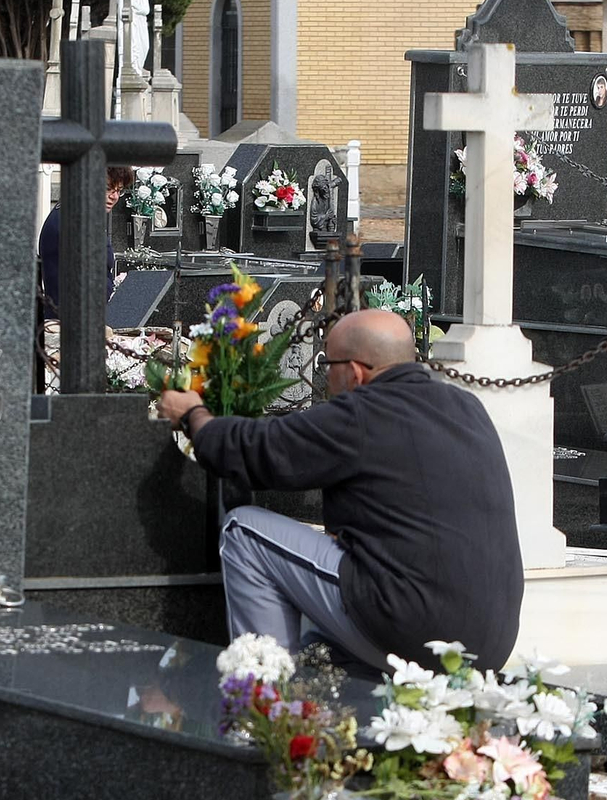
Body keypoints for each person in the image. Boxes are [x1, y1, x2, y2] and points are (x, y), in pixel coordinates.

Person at [155, 309, 525, 670]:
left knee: (243, 531)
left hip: (415, 630)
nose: (325, 379)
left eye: (326, 366)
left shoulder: (365, 410)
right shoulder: (467, 407)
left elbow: (255, 451)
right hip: (488, 649)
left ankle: (265, 703)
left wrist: (194, 415)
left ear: (353, 372)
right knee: (329, 606)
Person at [37, 166, 136, 319]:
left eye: (119, 190)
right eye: (108, 188)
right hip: (74, 323)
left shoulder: (71, 213)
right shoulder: (76, 220)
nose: (114, 196)